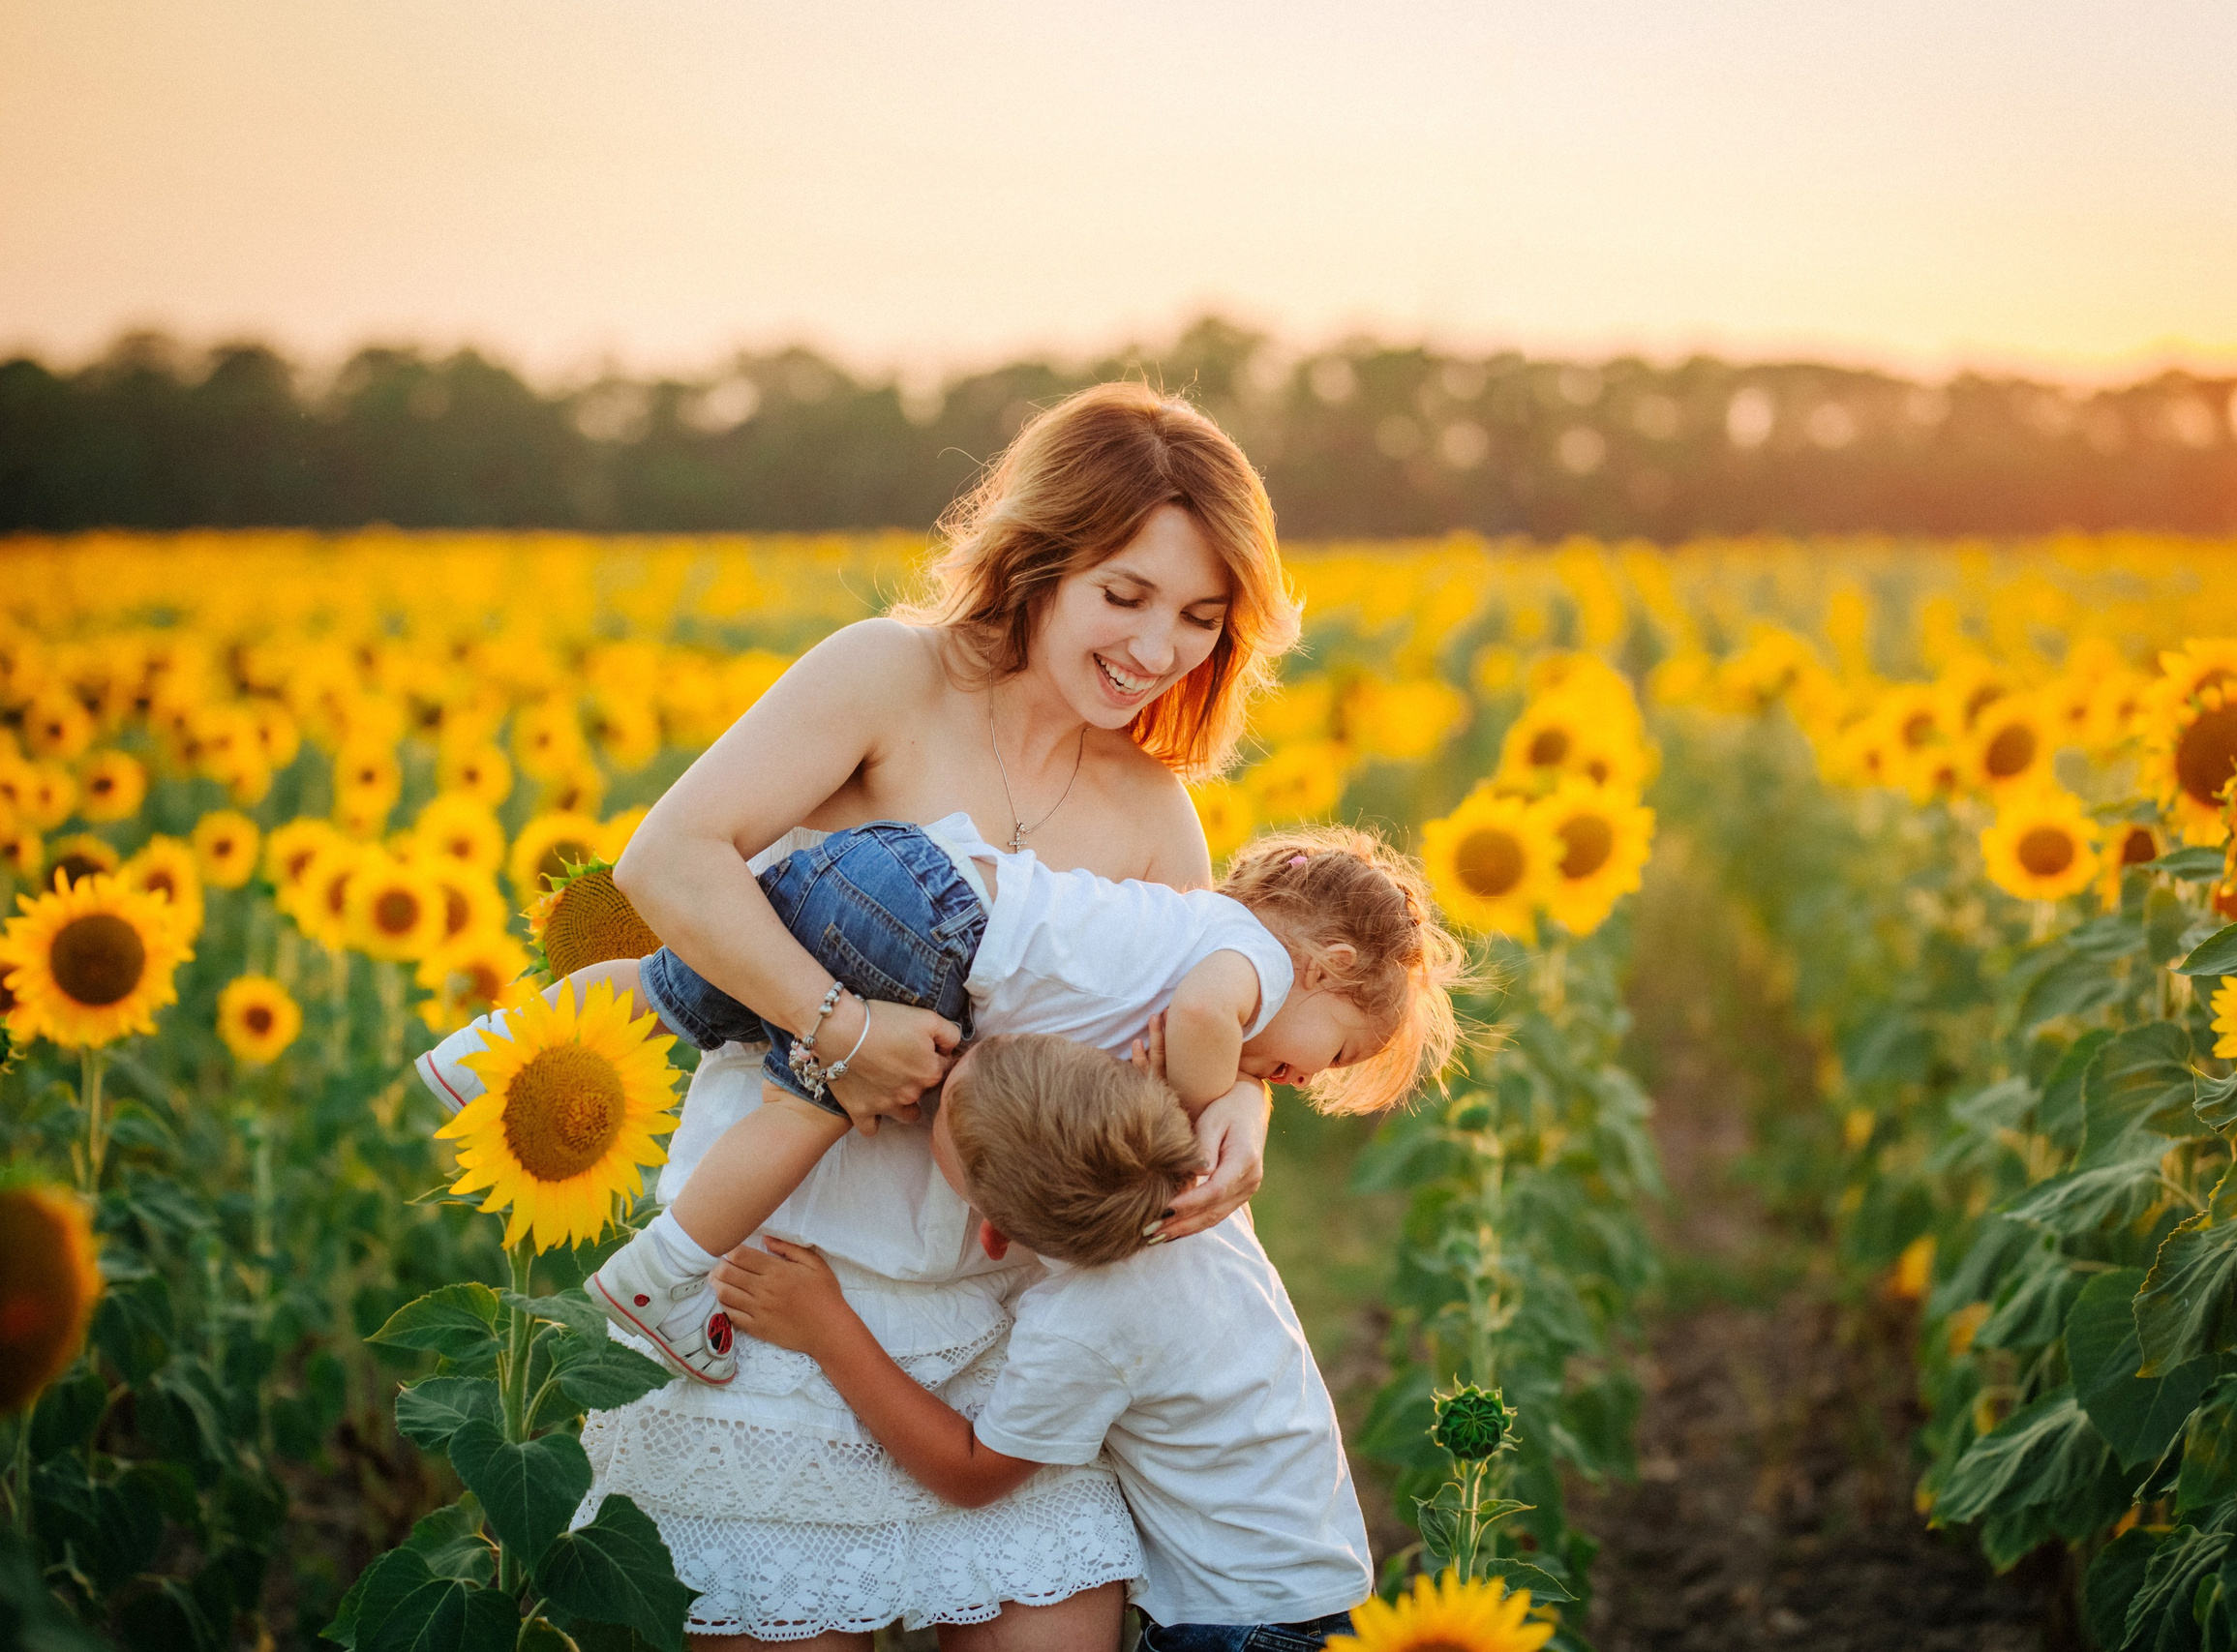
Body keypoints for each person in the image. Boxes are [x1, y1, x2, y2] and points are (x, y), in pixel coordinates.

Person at [520, 381, 1297, 1650]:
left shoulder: (1159, 813)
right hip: (771, 1288)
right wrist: (832, 1022)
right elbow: (672, 860)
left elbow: (1203, 1001)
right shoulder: (888, 676)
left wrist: (1242, 1102)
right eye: (1127, 594)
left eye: (1202, 618)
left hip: (1006, 1330)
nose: (1160, 648)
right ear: (1037, 560)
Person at [417, 822, 1463, 1388]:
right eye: (1330, 1056)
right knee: (810, 1105)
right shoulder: (1249, 974)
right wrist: (1193, 1097)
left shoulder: (1193, 917)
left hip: (902, 861)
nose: (1292, 1078)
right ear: (1325, 968)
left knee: (673, 990)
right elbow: (1202, 1021)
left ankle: (481, 1057)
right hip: (936, 938)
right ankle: (662, 1279)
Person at [710, 1025, 1375, 1651]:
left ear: (992, 1235)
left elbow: (971, 1472)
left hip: (1238, 1621)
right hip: (1309, 1580)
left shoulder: (1080, 1323)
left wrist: (829, 1328)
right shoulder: (1200, 1196)